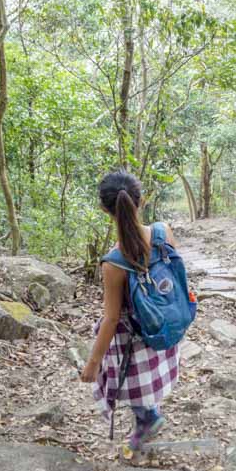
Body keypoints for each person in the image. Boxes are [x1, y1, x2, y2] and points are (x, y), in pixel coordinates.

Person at [80, 170, 181, 450]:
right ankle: (148, 416)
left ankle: (148, 419)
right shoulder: (163, 232)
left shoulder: (114, 262)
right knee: (149, 377)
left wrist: (93, 363)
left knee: (133, 378)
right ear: (142, 200)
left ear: (105, 210)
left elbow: (112, 318)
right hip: (165, 324)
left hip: (133, 340)